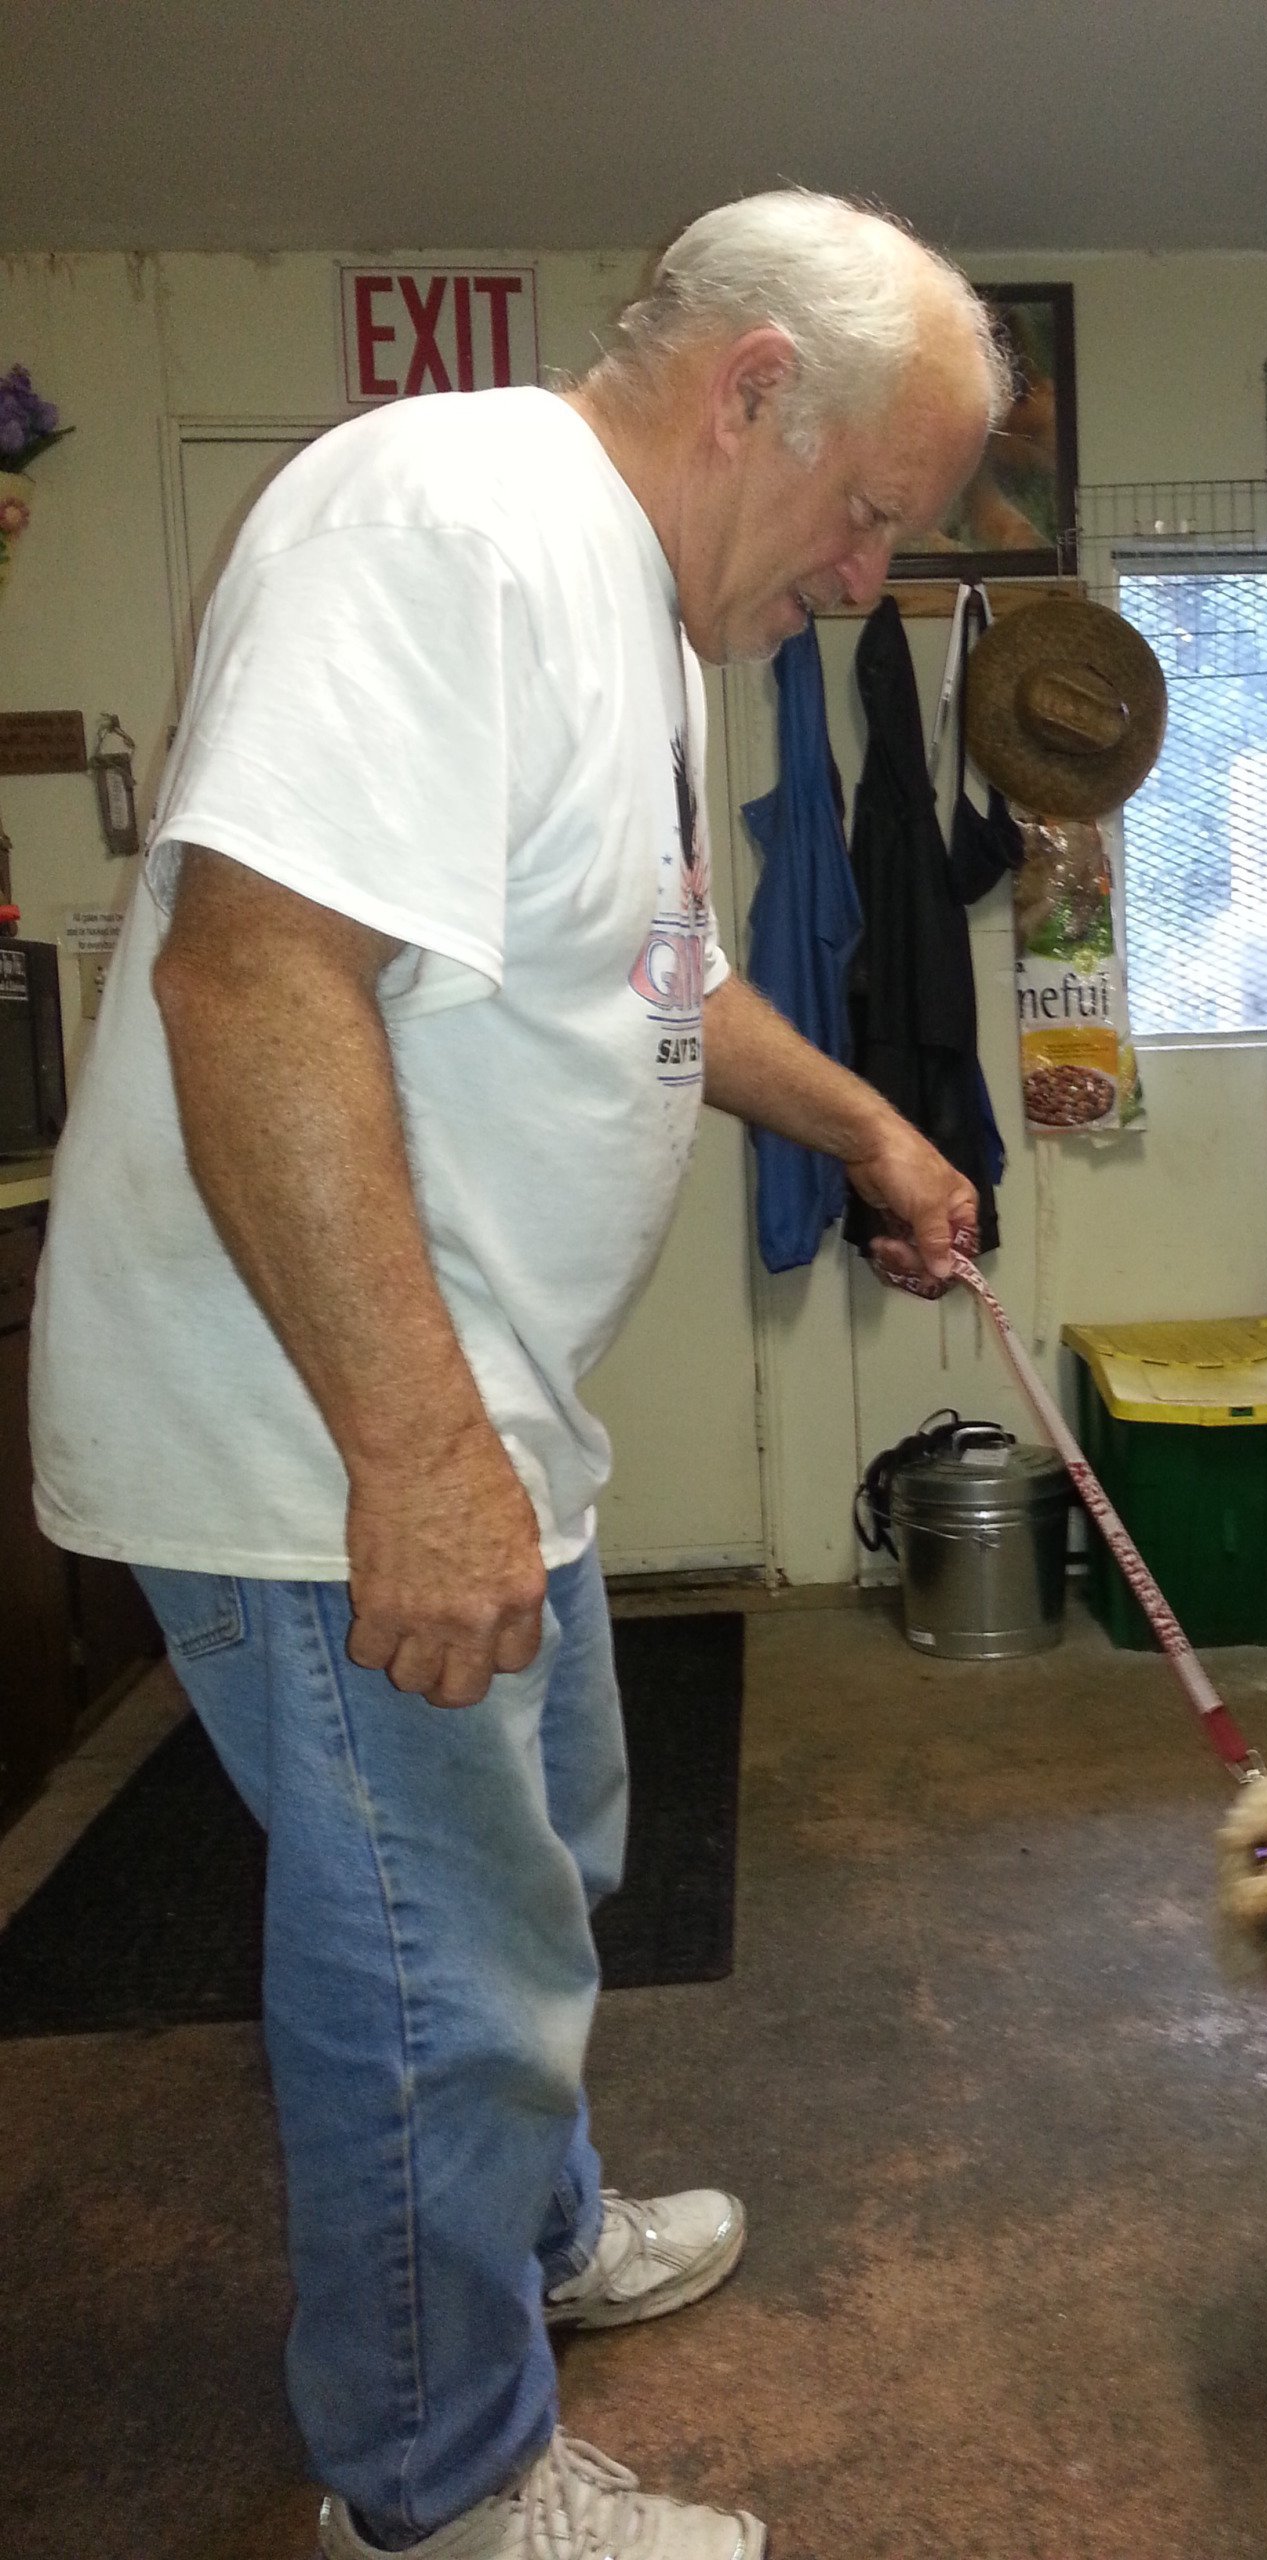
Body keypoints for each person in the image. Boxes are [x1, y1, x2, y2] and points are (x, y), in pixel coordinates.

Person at [29, 190, 1010, 2560]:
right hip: (324, 1438)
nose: (874, 580)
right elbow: (253, 973)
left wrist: (867, 1116)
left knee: (540, 1870)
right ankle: (438, 2485)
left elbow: (651, 983)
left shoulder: (639, 624)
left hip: (480, 1426)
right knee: (432, 1970)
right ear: (750, 387)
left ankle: (536, 2236)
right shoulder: (450, 514)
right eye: (876, 512)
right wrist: (416, 1454)